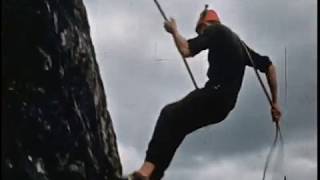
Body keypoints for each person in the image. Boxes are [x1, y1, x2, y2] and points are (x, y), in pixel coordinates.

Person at [121, 6, 282, 180]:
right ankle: (153, 175)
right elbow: (269, 66)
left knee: (168, 115)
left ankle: (144, 173)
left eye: (200, 32)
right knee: (177, 128)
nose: (201, 36)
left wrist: (174, 31)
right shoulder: (239, 44)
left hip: (214, 94)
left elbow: (187, 50)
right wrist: (275, 102)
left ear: (205, 23)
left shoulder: (215, 30)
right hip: (224, 108)